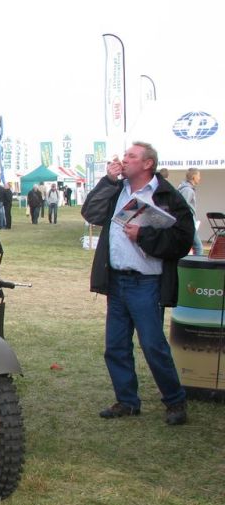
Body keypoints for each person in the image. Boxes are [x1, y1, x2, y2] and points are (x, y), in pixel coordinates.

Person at [81, 142, 194, 425]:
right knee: (116, 346)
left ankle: (175, 401)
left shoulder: (166, 195)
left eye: (131, 156)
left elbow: (182, 239)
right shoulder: (117, 189)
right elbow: (91, 213)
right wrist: (107, 180)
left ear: (147, 164)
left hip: (147, 283)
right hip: (117, 281)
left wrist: (144, 236)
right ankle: (127, 401)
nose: (124, 159)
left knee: (153, 345)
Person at [177, 168, 204, 255]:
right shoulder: (187, 190)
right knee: (198, 247)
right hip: (188, 223)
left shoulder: (186, 188)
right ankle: (198, 266)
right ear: (193, 177)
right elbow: (182, 207)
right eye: (199, 175)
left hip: (186, 223)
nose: (200, 178)